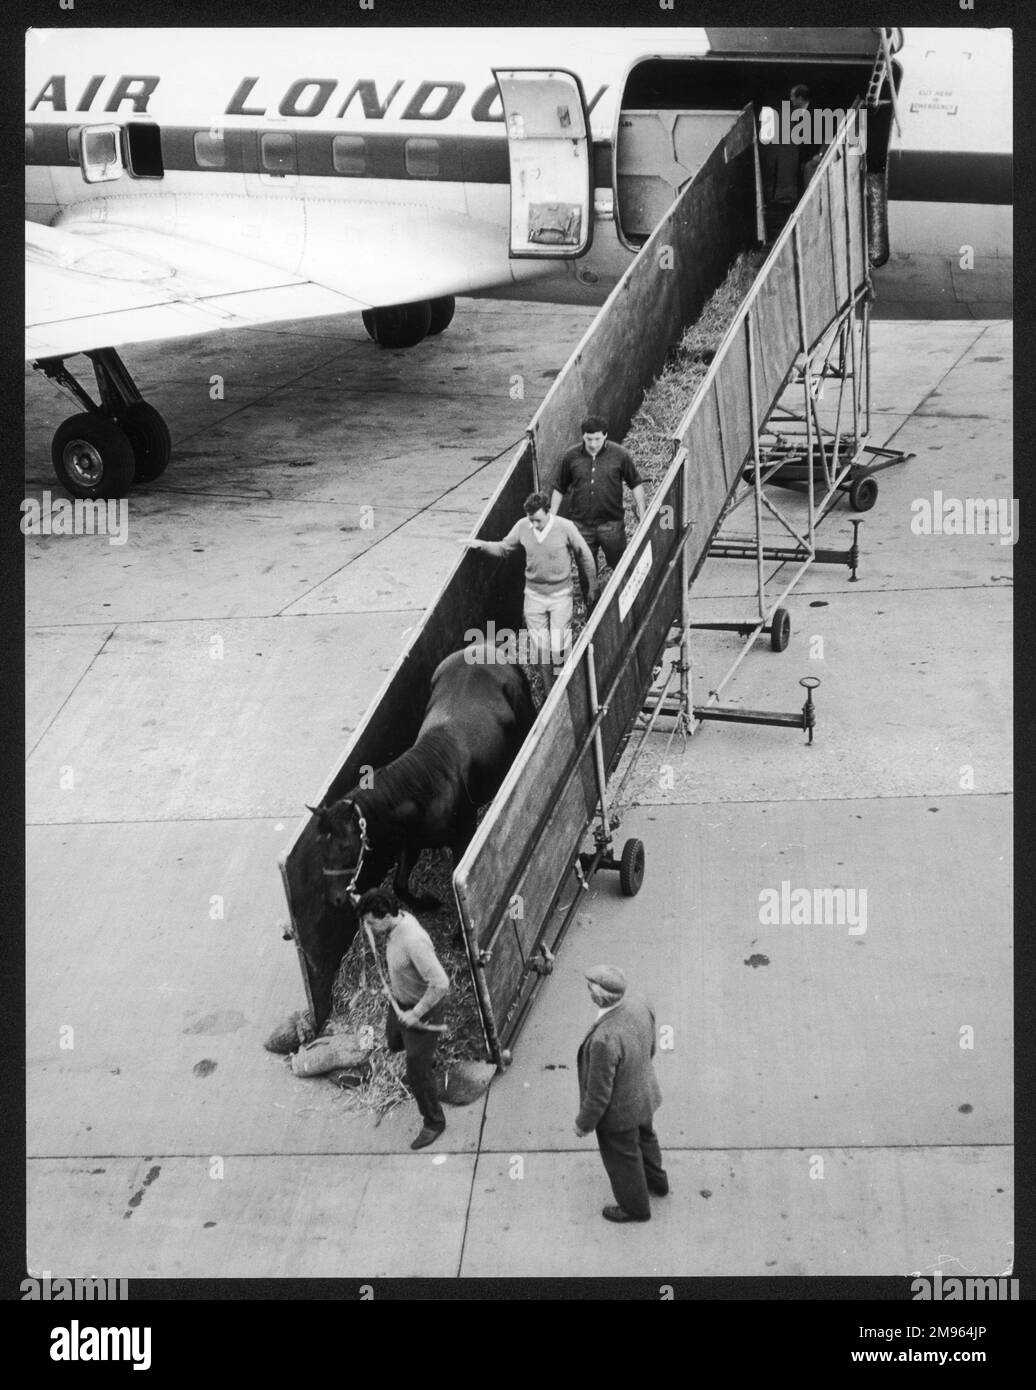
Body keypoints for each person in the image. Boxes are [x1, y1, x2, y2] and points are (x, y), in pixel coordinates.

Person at [465, 491, 597, 690]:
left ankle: (566, 689)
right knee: (541, 650)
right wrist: (482, 545)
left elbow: (585, 555)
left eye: (538, 520)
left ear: (548, 512)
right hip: (534, 597)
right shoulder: (522, 526)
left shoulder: (564, 527)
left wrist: (592, 585)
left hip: (560, 596)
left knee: (559, 646)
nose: (534, 524)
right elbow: (504, 548)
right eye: (530, 520)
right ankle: (549, 691)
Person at [355, 886, 450, 1150]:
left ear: (385, 915)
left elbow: (441, 983)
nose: (369, 928)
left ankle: (434, 1121)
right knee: (393, 1041)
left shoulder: (413, 940)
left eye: (371, 922)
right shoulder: (395, 922)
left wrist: (416, 1013)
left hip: (420, 1010)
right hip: (399, 1002)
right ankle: (424, 1054)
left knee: (416, 1072)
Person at [574, 964, 668, 1223]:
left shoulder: (604, 1039)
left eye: (591, 987)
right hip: (645, 1093)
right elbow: (651, 1049)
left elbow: (598, 1094)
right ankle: (658, 1183)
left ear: (600, 996)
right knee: (646, 1138)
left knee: (623, 1159)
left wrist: (583, 1124)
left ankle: (635, 1207)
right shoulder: (641, 1005)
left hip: (619, 1114)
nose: (588, 990)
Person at [550, 416, 646, 603]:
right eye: (588, 439)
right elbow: (559, 487)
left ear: (605, 436)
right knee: (586, 572)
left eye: (597, 439)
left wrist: (643, 514)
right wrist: (552, 519)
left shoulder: (620, 455)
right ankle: (592, 611)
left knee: (620, 565)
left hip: (611, 525)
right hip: (581, 527)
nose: (593, 444)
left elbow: (635, 483)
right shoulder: (571, 456)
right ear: (583, 437)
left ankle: (629, 604)